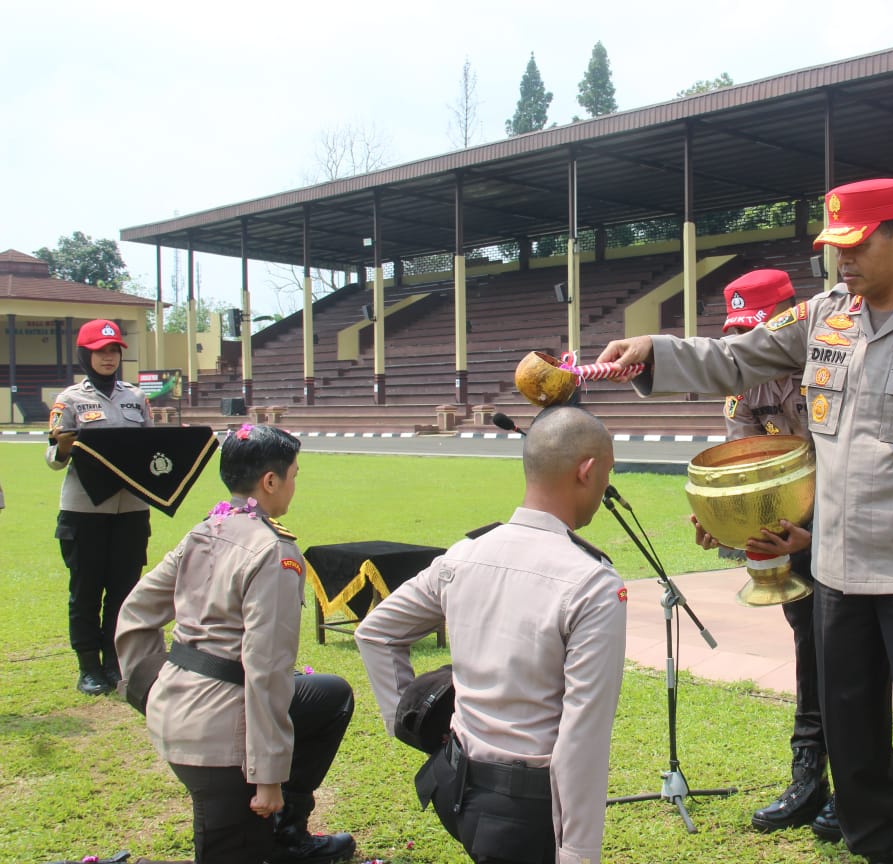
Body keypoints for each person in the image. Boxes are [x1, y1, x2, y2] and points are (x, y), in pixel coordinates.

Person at [595, 178, 893, 864]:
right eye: (833, 249)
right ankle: (877, 850)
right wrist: (656, 348)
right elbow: (735, 359)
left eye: (855, 246)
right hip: (839, 571)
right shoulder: (821, 316)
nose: (841, 262)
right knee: (852, 740)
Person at [355, 406, 626, 864]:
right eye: (608, 474)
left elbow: (376, 633)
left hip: (454, 784)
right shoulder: (591, 583)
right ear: (588, 471)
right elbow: (583, 738)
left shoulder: (465, 555)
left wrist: (407, 721)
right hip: (526, 811)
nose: (605, 489)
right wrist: (579, 854)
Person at [115, 425, 356, 864]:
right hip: (219, 732)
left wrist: (147, 689)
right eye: (294, 474)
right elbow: (266, 668)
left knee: (329, 696)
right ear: (270, 481)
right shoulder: (273, 551)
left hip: (178, 707)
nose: (294, 485)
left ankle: (286, 835)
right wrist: (268, 776)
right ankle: (269, 827)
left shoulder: (206, 529)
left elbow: (135, 612)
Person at [693, 268, 836, 839]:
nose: (750, 345)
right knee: (811, 655)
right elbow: (745, 474)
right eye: (739, 333)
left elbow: (857, 474)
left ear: (790, 319)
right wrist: (721, 520)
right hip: (792, 543)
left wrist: (820, 533)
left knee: (853, 663)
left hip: (852, 537)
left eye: (760, 330)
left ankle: (862, 786)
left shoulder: (829, 368)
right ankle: (808, 780)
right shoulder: (743, 388)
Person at [46, 319, 153, 696]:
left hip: (131, 508)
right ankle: (88, 666)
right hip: (85, 510)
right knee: (87, 590)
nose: (108, 358)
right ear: (85, 355)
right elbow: (54, 460)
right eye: (100, 351)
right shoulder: (70, 399)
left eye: (113, 351)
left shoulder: (136, 398)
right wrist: (62, 445)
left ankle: (116, 660)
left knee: (125, 588)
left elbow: (150, 448)